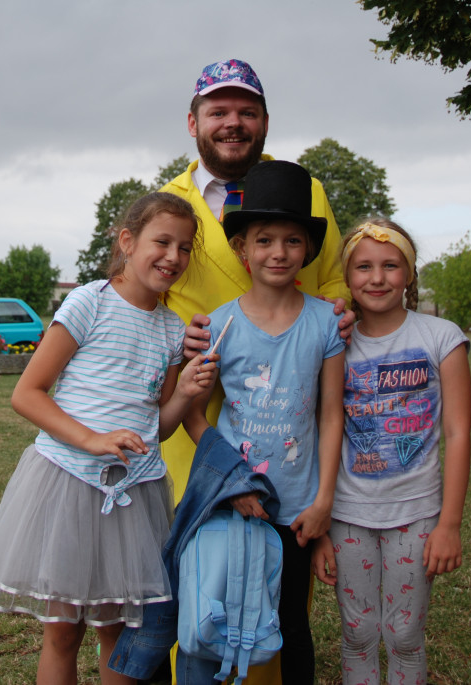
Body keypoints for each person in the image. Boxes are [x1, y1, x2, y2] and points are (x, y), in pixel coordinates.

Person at [0, 193, 219, 685]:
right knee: (63, 633)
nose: (174, 256)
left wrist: (187, 392)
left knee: (118, 634)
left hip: (133, 498)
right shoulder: (89, 301)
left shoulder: (172, 330)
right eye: (162, 242)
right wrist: (90, 439)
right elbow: (28, 394)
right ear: (128, 241)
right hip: (68, 485)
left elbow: (159, 425)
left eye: (185, 248)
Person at [181, 161, 346, 684]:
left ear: (309, 250)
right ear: (242, 249)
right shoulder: (218, 325)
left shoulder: (326, 323)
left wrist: (322, 504)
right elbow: (192, 415)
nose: (279, 252)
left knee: (293, 626)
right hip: (232, 507)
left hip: (297, 511)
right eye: (265, 240)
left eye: (293, 240)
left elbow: (330, 412)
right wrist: (230, 486)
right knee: (217, 622)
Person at [159, 58, 353, 502]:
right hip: (194, 421)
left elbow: (335, 280)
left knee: (283, 557)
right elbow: (143, 302)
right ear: (193, 122)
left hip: (287, 425)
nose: (234, 124)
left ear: (265, 122)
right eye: (218, 112)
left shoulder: (309, 192)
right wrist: (176, 338)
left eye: (247, 113)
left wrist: (342, 310)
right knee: (202, 561)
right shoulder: (166, 204)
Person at [312, 218, 471, 685]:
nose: (376, 278)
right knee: (358, 632)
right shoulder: (332, 341)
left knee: (405, 635)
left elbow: (458, 433)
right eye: (363, 267)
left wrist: (450, 524)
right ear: (347, 274)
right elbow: (321, 429)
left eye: (390, 266)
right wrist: (321, 529)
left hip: (417, 514)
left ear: (410, 273)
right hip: (347, 514)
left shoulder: (441, 337)